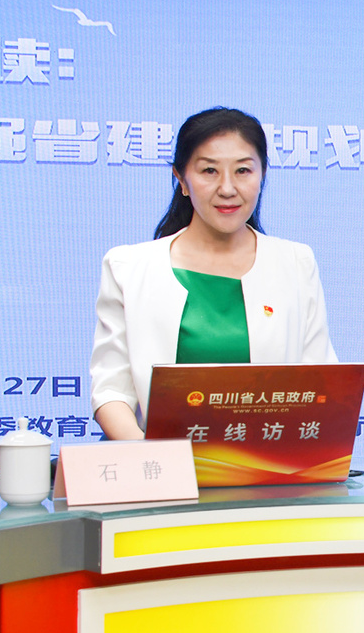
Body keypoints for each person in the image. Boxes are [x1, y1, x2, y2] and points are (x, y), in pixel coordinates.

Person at [89, 106, 337, 440]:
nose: (227, 188)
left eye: (243, 171)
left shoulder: (295, 263)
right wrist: (151, 456)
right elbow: (111, 391)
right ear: (182, 180)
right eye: (209, 171)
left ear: (262, 175)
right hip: (157, 464)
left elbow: (320, 383)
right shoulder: (129, 267)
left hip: (268, 465)